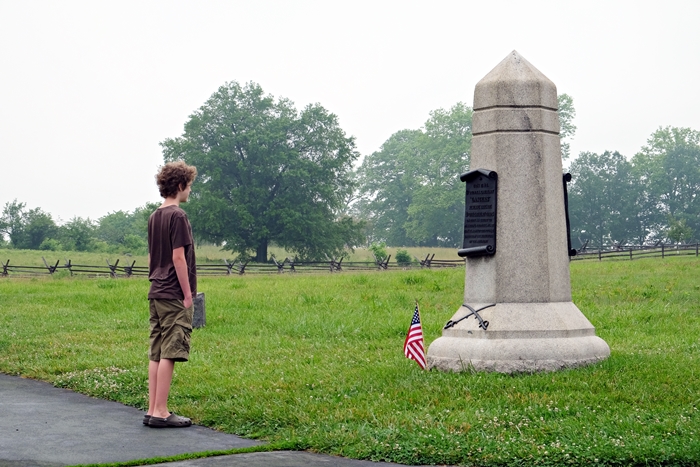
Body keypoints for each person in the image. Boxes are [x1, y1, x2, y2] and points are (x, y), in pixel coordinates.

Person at [144, 161, 197, 428]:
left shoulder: (154, 216)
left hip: (156, 291)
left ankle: (152, 408)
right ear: (180, 186)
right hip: (173, 293)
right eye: (189, 186)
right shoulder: (178, 216)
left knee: (157, 351)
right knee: (171, 351)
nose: (190, 191)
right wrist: (188, 295)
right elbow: (179, 258)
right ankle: (162, 412)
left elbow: (155, 256)